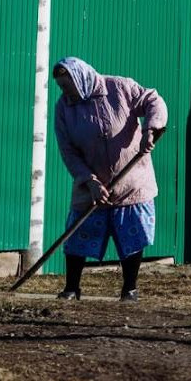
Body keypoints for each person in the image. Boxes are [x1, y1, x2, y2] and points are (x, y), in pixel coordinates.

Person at [52, 57, 167, 302]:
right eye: (61, 86)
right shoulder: (64, 108)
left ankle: (130, 289)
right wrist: (89, 180)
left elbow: (153, 100)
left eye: (67, 85)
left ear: (80, 78)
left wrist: (150, 129)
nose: (65, 91)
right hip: (92, 185)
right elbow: (68, 151)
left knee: (132, 236)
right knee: (78, 235)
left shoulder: (119, 87)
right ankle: (72, 288)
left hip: (131, 181)